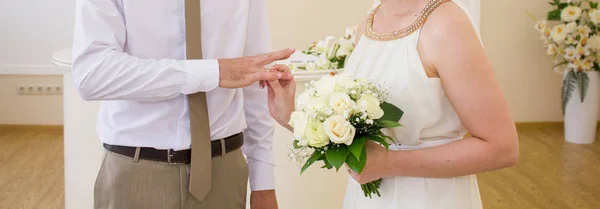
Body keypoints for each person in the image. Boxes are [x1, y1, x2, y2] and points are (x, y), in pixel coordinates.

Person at [266, 0, 519, 208]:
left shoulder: (448, 23)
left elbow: (502, 147)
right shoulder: (369, 22)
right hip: (367, 199)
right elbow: (357, 140)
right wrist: (292, 117)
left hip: (430, 198)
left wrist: (388, 164)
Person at [71, 0, 293, 208]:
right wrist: (213, 72)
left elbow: (256, 77)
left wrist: (263, 182)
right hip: (134, 174)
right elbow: (92, 74)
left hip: (225, 173)